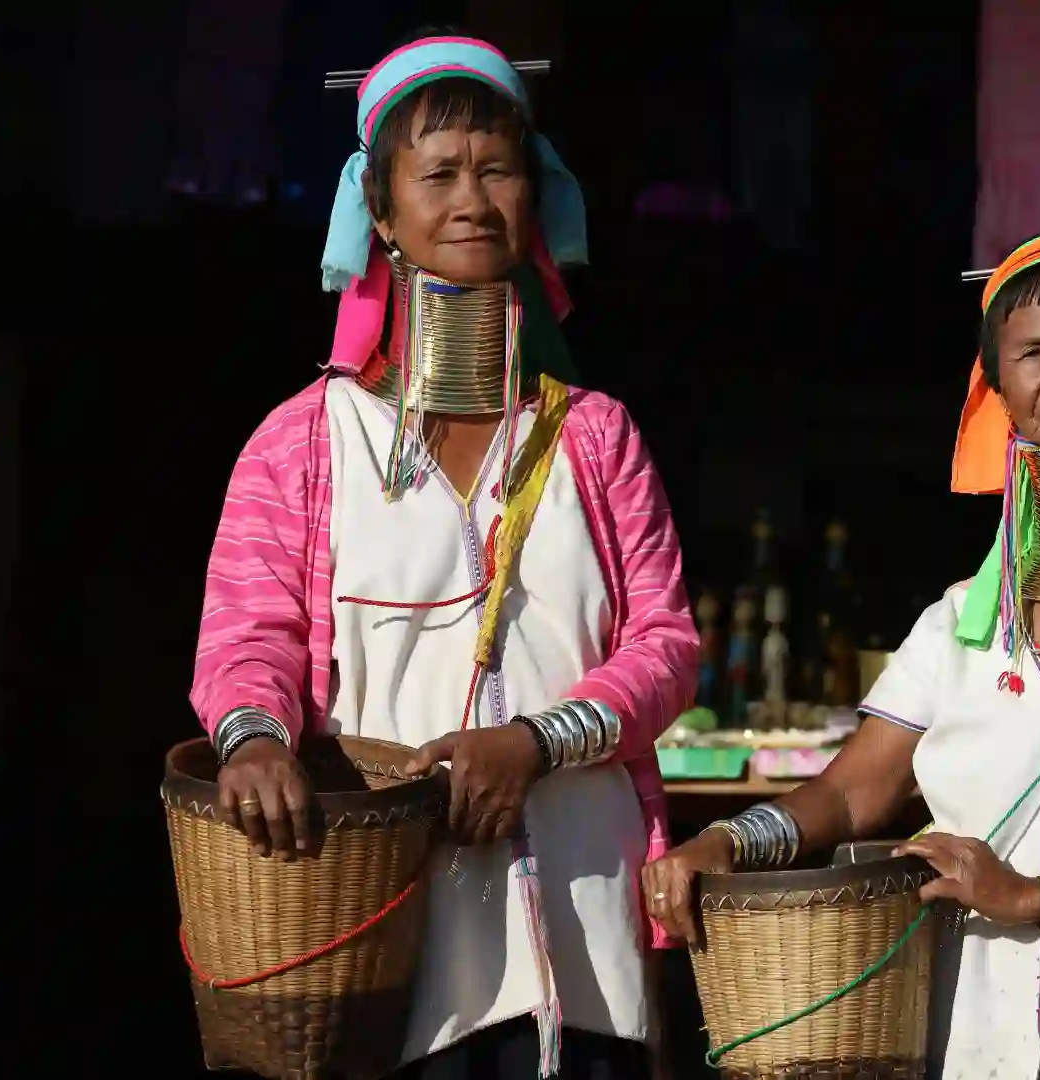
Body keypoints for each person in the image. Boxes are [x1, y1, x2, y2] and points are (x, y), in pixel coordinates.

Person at [644, 230, 1040, 1079]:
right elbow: (853, 790)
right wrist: (731, 837)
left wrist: (1037, 899)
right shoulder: (957, 628)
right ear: (996, 391)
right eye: (1031, 351)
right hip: (963, 1045)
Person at [190, 31, 696, 1080]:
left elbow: (669, 644)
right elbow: (248, 639)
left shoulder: (596, 437)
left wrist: (537, 742)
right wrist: (252, 742)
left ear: (535, 196)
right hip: (374, 937)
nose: (472, 199)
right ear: (381, 214)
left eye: (497, 168)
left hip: (581, 927)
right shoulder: (306, 441)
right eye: (440, 174)